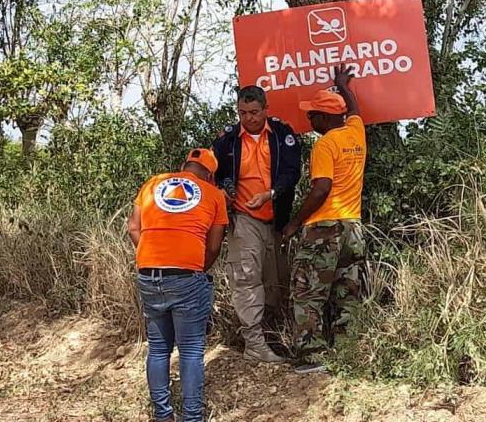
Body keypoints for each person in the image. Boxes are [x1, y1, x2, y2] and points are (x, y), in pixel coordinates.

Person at [127, 148, 229, 422]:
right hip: (187, 277)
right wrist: (195, 266)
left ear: (184, 165)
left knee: (159, 349)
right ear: (209, 175)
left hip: (148, 274)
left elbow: (133, 227)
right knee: (192, 350)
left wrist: (151, 256)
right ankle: (192, 417)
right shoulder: (214, 194)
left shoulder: (153, 183)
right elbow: (215, 245)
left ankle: (163, 415)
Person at [282, 65, 366, 372]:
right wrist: (342, 86)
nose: (310, 120)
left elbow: (321, 189)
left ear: (326, 117)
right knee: (347, 292)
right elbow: (354, 109)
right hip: (353, 228)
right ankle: (347, 353)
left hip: (325, 228)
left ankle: (311, 356)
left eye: (313, 115)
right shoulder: (356, 132)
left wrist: (293, 224)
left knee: (307, 292)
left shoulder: (325, 144)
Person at [212, 86, 301, 363]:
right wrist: (223, 190)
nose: (248, 118)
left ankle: (273, 336)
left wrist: (271, 194)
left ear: (266, 109)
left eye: (253, 112)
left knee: (275, 281)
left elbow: (292, 172)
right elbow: (216, 172)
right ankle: (253, 342)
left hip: (275, 217)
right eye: (242, 113)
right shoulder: (227, 139)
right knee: (247, 277)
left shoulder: (282, 135)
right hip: (244, 216)